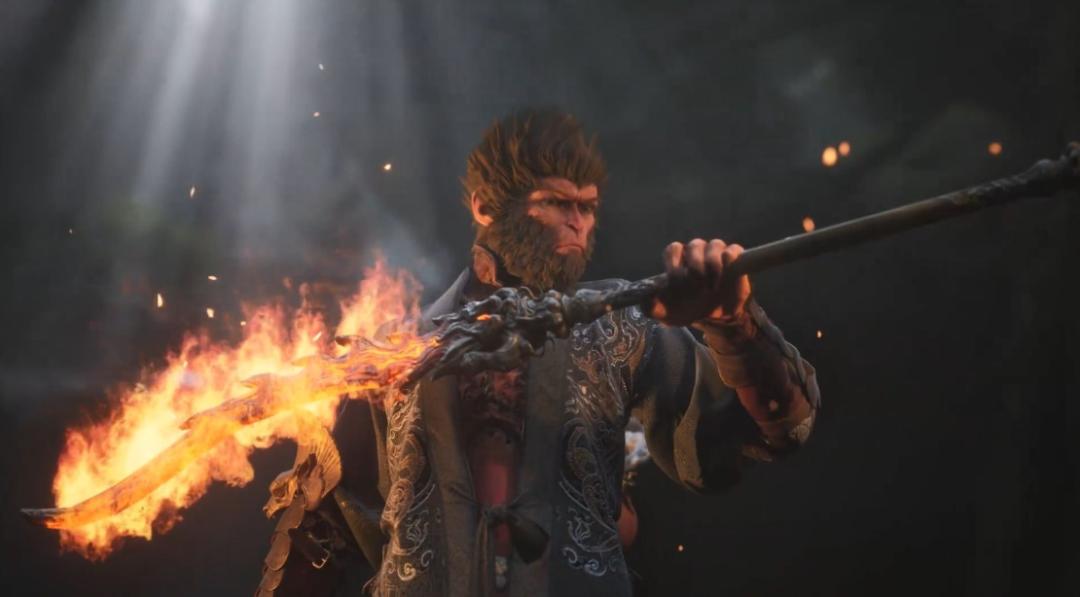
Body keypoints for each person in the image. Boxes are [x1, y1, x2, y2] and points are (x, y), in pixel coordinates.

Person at [256, 108, 820, 597]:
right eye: (555, 202)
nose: (578, 222)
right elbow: (316, 533)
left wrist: (733, 325)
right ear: (485, 207)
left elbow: (773, 429)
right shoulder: (392, 348)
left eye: (588, 207)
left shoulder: (620, 326)